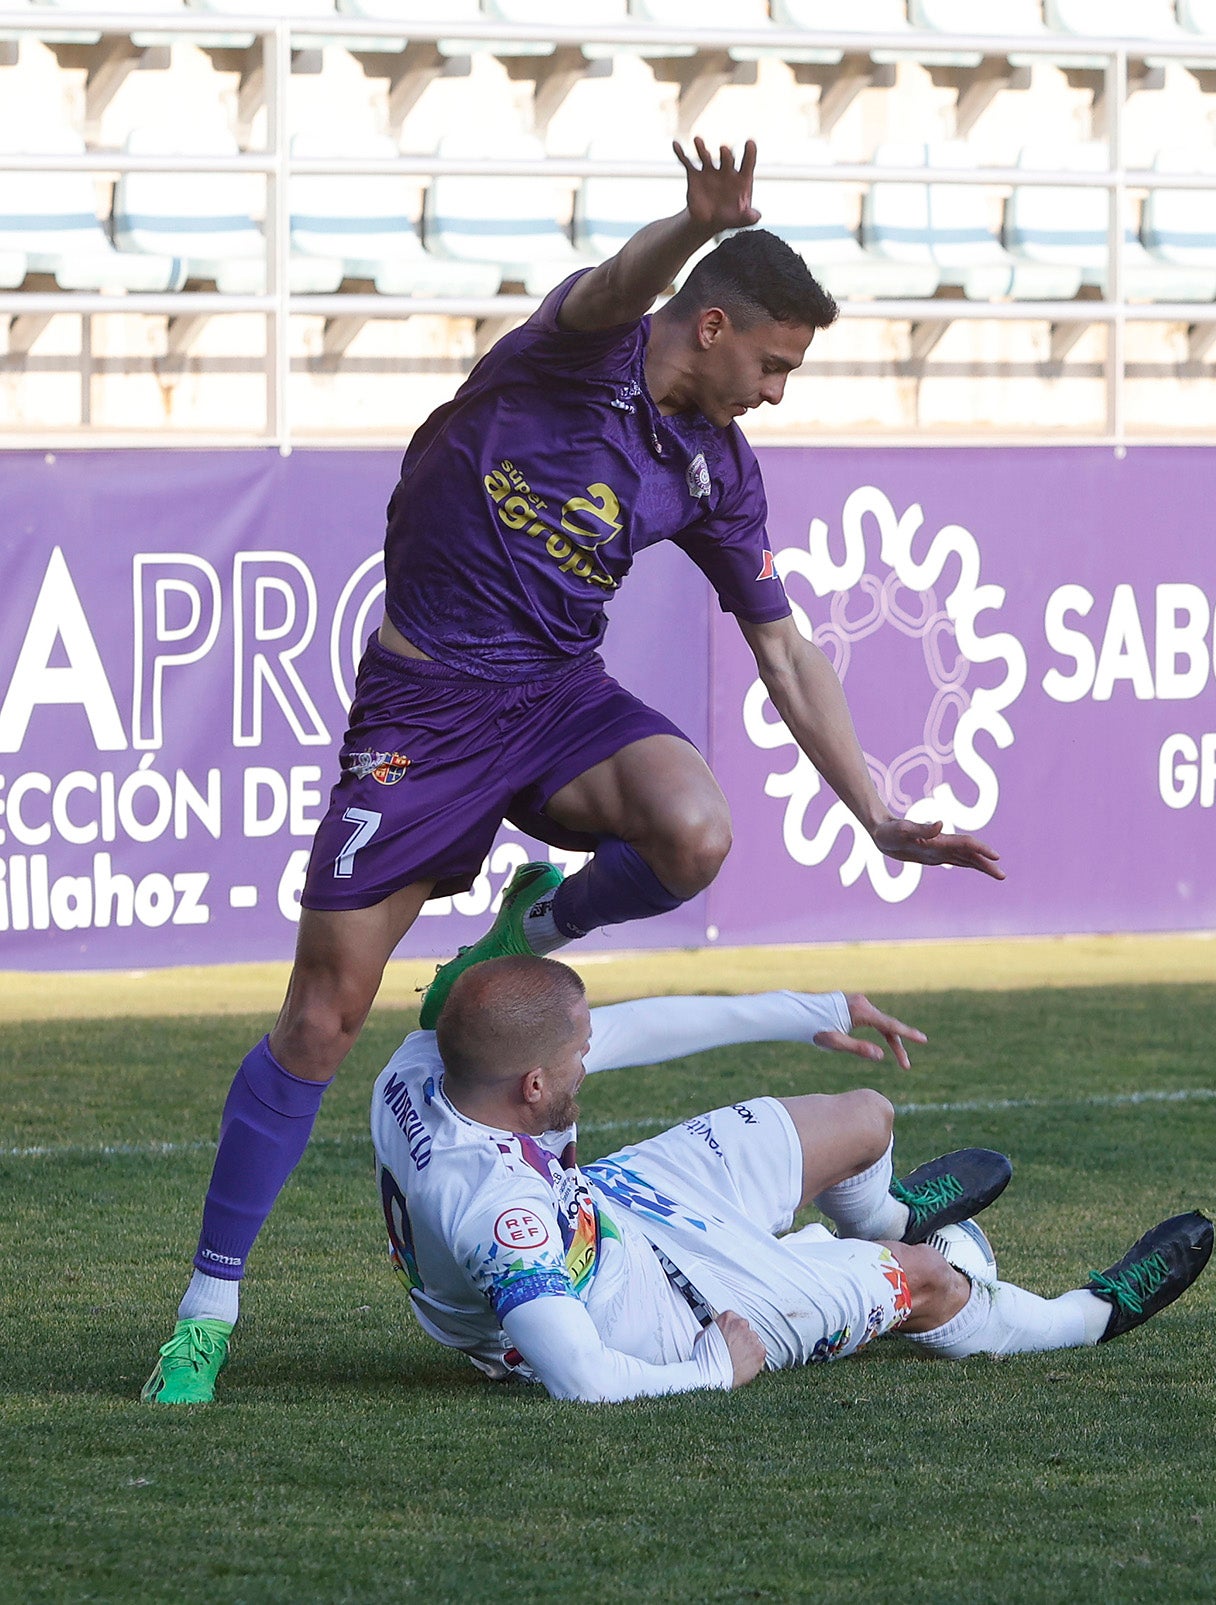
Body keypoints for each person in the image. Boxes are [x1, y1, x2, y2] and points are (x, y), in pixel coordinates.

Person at [142, 138, 1002, 1404]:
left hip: (554, 699)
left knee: (695, 830)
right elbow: (612, 287)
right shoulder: (578, 355)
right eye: (772, 363)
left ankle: (528, 923)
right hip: (428, 704)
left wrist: (872, 809)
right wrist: (689, 219)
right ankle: (207, 1307)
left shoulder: (717, 467)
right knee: (322, 1017)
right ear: (710, 323)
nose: (775, 392)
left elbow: (781, 641)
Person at [348, 958, 1207, 1404]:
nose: (591, 1057)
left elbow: (638, 1026)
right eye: (579, 1055)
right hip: (644, 1310)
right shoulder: (502, 1217)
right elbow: (584, 1377)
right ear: (532, 1086)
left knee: (866, 1115)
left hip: (607, 1203)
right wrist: (712, 1369)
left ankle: (888, 1215)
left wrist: (814, 1010)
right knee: (930, 1279)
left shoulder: (424, 1061)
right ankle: (1080, 1318)